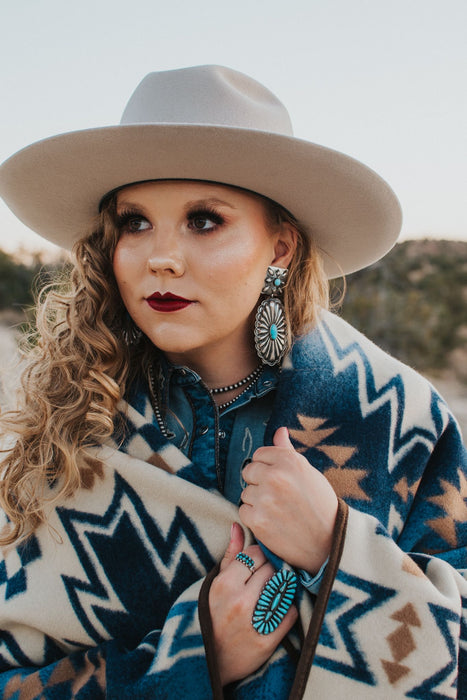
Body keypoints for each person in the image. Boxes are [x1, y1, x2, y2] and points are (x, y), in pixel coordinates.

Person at [0, 65, 465, 699]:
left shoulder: (399, 420)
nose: (161, 255)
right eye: (135, 222)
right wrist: (200, 659)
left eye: (204, 220)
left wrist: (339, 547)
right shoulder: (67, 426)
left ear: (280, 248)